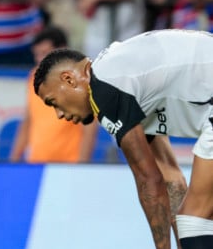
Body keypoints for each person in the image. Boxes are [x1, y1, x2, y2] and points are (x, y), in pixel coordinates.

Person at [32, 29, 213, 249]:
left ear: (69, 79)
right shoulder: (125, 83)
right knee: (195, 219)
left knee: (195, 219)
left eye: (53, 102)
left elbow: (149, 180)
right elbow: (171, 179)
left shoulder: (104, 90)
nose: (59, 114)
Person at [9, 26, 97, 163]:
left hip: (68, 165)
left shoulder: (80, 80)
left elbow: (89, 127)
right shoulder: (34, 77)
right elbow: (28, 120)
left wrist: (82, 165)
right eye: (36, 55)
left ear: (61, 50)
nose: (39, 60)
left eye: (44, 53)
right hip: (36, 163)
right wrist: (13, 161)